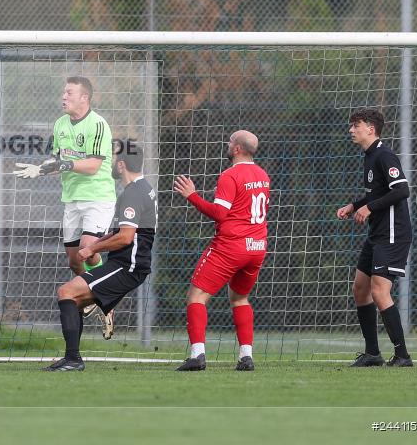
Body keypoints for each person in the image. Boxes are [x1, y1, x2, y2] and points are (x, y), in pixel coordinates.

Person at [14, 76, 117, 338]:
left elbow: (93, 165)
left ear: (85, 97)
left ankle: (105, 299)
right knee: (74, 261)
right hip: (72, 200)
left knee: (86, 249)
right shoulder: (60, 124)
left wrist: (64, 165)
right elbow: (58, 160)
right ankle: (93, 295)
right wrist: (40, 169)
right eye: (63, 92)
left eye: (69, 92)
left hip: (97, 198)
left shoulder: (98, 124)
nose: (64, 97)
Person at [42, 147, 157, 371]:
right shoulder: (143, 188)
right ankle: (71, 358)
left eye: (115, 161)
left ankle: (73, 359)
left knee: (66, 292)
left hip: (128, 267)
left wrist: (89, 250)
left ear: (121, 165)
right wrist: (97, 244)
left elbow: (125, 237)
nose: (113, 164)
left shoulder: (132, 193)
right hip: (125, 265)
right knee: (72, 299)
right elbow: (121, 232)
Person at [173, 130, 270, 372]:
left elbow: (220, 213)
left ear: (237, 148)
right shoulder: (263, 174)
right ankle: (246, 357)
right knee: (239, 298)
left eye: (229, 142)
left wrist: (192, 196)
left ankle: (197, 356)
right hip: (256, 247)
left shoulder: (230, 175)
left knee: (196, 297)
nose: (227, 145)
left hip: (231, 246)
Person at [335, 108, 413, 367]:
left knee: (380, 292)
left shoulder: (384, 155)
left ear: (371, 128)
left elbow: (402, 190)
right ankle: (372, 354)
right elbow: (376, 192)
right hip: (377, 233)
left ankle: (402, 356)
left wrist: (369, 208)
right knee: (360, 289)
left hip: (393, 233)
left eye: (355, 125)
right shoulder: (369, 156)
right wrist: (355, 205)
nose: (351, 130)